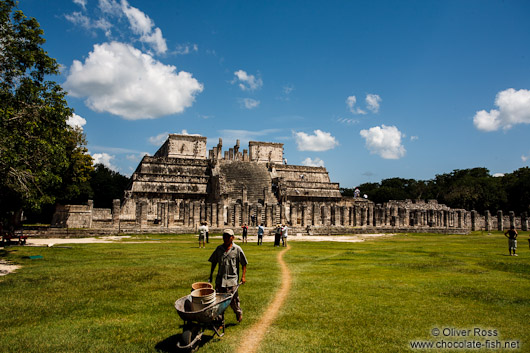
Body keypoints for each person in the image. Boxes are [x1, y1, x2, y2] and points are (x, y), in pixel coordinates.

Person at [208, 229, 247, 323]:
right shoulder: (219, 249)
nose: (225, 238)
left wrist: (243, 276)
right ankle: (220, 321)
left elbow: (244, 263)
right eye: (224, 236)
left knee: (233, 300)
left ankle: (238, 312)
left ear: (232, 238)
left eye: (228, 236)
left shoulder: (237, 249)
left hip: (232, 279)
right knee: (219, 301)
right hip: (220, 279)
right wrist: (211, 274)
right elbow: (214, 262)